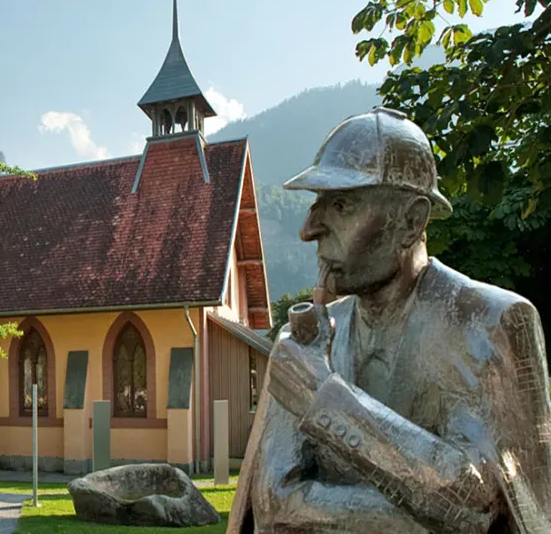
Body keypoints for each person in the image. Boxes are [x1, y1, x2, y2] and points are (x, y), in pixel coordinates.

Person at [227, 107, 551, 533]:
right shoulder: (305, 337)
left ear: (411, 220)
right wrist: (422, 514)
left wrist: (323, 399)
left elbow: (476, 503)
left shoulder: (490, 324)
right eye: (317, 203)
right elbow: (275, 507)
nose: (309, 228)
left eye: (340, 204)